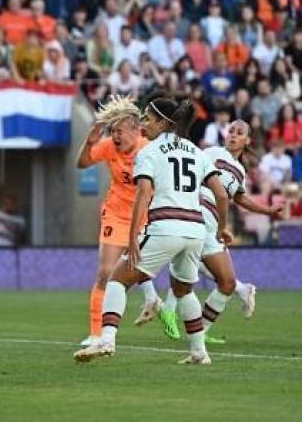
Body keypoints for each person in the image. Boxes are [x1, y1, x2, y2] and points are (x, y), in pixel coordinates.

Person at [74, 90, 230, 365]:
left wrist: (134, 235)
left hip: (165, 226)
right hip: (195, 229)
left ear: (162, 123)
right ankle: (199, 352)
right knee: (184, 290)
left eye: (148, 119)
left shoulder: (149, 151)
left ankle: (106, 339)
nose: (144, 124)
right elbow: (220, 195)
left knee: (117, 280)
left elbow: (144, 194)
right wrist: (222, 229)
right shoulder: (197, 151)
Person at [159, 120, 281, 344]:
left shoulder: (241, 171)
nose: (233, 135)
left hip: (214, 222)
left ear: (247, 140)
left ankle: (200, 331)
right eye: (231, 131)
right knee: (191, 269)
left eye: (239, 133)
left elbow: (239, 198)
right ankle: (168, 311)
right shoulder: (213, 152)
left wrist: (267, 210)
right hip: (197, 211)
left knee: (227, 283)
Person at [74, 95, 160, 346]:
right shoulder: (110, 146)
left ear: (136, 129)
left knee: (138, 271)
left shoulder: (149, 149)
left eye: (119, 131)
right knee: (104, 273)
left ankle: (156, 302)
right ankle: (96, 333)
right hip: (115, 214)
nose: (115, 136)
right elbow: (81, 163)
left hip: (145, 216)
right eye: (112, 131)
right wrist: (88, 143)